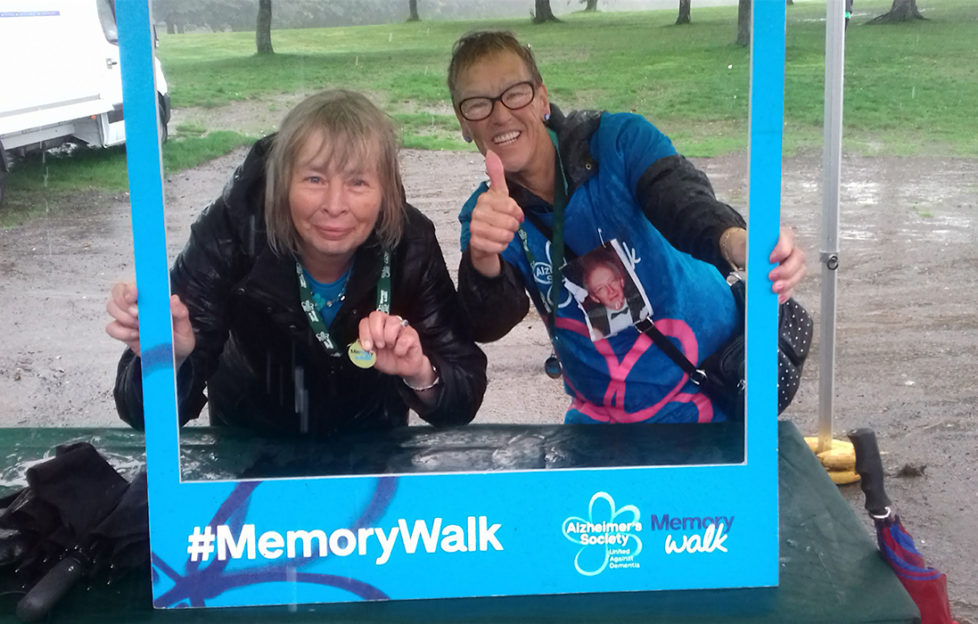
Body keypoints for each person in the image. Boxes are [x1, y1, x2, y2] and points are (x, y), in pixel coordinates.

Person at [447, 31, 805, 424]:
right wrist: (482, 258)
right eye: (478, 104)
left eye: (515, 93)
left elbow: (679, 198)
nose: (500, 114)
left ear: (543, 98)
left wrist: (735, 242)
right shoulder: (485, 215)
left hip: (713, 386)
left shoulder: (617, 141)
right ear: (464, 124)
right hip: (607, 423)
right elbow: (490, 322)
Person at [106, 89, 487, 437]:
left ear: (385, 191)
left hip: (373, 453)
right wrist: (167, 360)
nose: (335, 205)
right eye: (314, 178)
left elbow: (463, 392)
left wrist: (421, 371)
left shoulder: (409, 241)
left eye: (358, 183)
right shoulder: (231, 233)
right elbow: (139, 412)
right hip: (249, 451)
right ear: (282, 183)